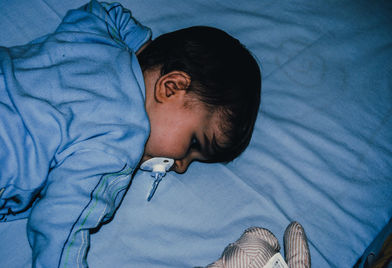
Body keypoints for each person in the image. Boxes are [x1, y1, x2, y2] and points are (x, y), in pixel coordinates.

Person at [0, 0, 261, 267]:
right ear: (170, 87)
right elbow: (61, 225)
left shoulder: (98, 39)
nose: (181, 165)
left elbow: (104, 12)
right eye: (194, 143)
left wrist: (144, 49)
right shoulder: (118, 142)